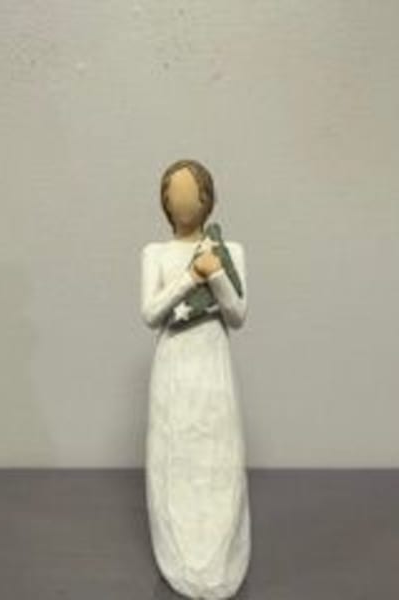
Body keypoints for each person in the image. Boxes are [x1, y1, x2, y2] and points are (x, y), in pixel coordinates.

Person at [140, 159, 251, 599]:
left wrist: (217, 272)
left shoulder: (229, 249)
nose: (185, 200)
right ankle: (180, 554)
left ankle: (220, 556)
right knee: (176, 454)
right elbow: (151, 314)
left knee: (216, 453)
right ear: (164, 201)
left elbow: (237, 314)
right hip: (174, 365)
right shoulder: (155, 254)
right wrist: (191, 276)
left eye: (194, 192)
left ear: (208, 199)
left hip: (211, 363)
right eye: (176, 193)